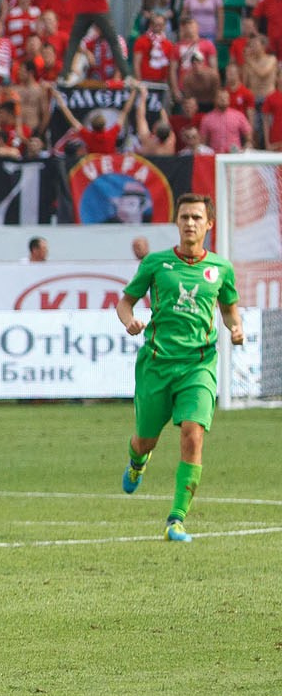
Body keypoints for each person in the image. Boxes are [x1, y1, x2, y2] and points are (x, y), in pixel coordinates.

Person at [118, 194, 243, 542]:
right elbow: (125, 301)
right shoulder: (157, 264)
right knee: (145, 440)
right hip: (157, 364)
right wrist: (129, 321)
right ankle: (137, 461)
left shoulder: (221, 269)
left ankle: (176, 519)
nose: (190, 223)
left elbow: (230, 307)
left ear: (209, 225)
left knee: (193, 432)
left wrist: (236, 327)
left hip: (198, 365)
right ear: (177, 222)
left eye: (196, 218)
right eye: (185, 217)